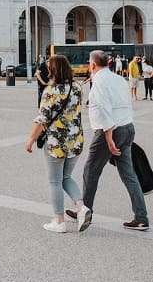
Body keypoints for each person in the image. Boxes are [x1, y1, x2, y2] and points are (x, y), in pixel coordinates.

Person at [72, 50, 149, 232]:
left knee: (91, 170)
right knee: (129, 174)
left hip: (110, 130)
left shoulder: (99, 81)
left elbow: (103, 109)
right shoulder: (118, 79)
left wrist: (109, 137)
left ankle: (85, 211)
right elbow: (127, 103)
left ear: (92, 64)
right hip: (127, 127)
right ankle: (141, 217)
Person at [24, 55, 84, 233]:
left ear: (54, 70)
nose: (46, 69)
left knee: (55, 182)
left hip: (56, 142)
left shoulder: (51, 90)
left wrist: (31, 140)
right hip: (75, 140)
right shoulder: (77, 87)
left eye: (49, 67)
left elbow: (42, 118)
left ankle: (59, 221)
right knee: (66, 178)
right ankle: (81, 208)